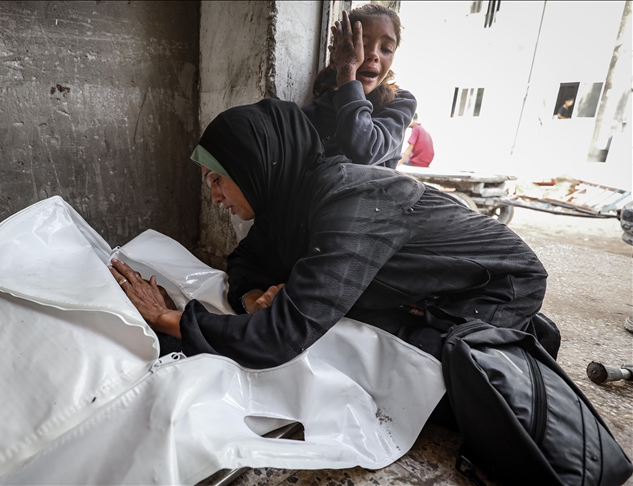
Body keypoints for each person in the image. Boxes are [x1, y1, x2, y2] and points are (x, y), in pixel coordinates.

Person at [109, 99, 557, 370]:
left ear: (253, 164)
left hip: (494, 286)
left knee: (403, 371)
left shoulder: (349, 202)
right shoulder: (286, 203)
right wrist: (254, 297)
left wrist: (168, 318)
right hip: (423, 288)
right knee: (342, 333)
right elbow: (246, 260)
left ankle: (521, 338)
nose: (214, 197)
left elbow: (280, 337)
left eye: (216, 179)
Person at [301, 5, 416, 168]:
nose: (374, 55)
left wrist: (348, 73)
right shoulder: (316, 111)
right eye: (361, 45)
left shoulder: (399, 103)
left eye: (385, 49)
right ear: (337, 55)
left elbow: (364, 150)